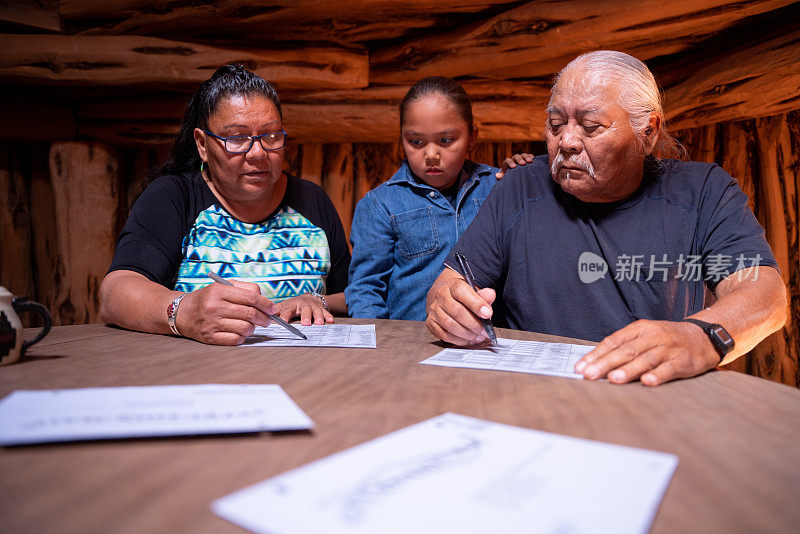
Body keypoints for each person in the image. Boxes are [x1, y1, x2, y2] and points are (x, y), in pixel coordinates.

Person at [425, 51, 787, 386]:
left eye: (591, 126)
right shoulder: (519, 185)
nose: (566, 141)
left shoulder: (703, 191)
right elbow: (451, 283)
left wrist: (700, 337)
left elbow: (766, 296)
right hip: (529, 393)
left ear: (648, 132)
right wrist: (446, 304)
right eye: (555, 124)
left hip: (647, 395)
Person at [100, 65, 350, 345]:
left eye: (270, 135)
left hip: (303, 374)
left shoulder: (312, 201)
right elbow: (114, 294)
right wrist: (184, 311)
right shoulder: (173, 197)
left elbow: (354, 296)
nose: (258, 153)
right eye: (237, 138)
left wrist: (317, 300)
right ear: (203, 144)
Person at [346, 76, 528, 320]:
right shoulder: (380, 205)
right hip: (412, 347)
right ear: (401, 138)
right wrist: (378, 348)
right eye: (416, 142)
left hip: (490, 345)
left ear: (472, 138)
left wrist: (524, 177)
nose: (431, 155)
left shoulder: (496, 187)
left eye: (445, 140)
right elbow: (365, 290)